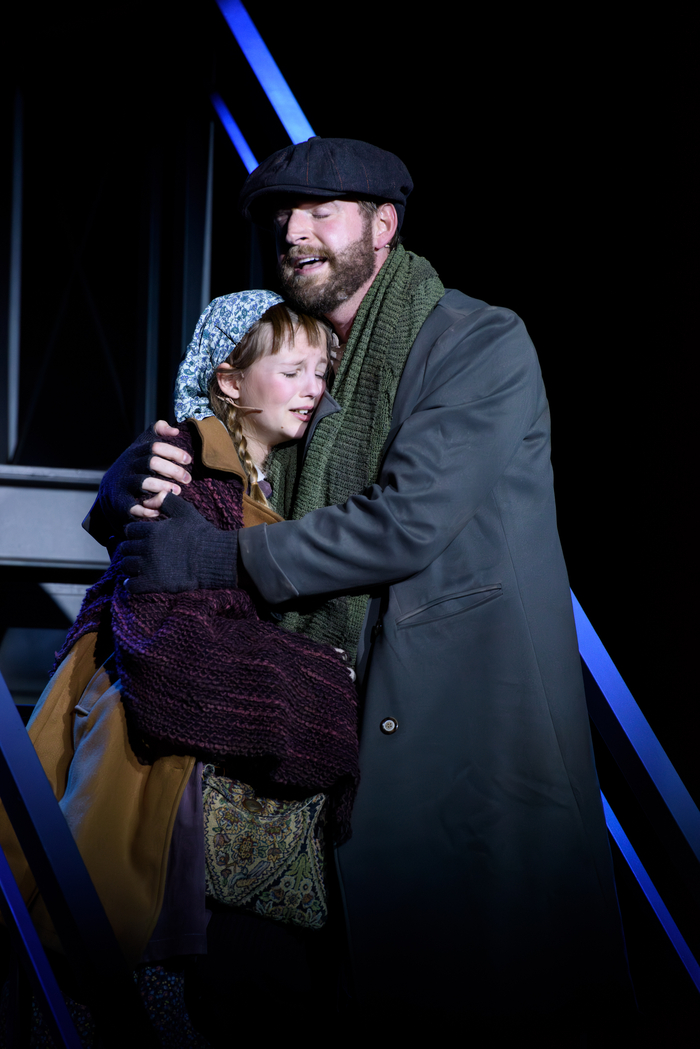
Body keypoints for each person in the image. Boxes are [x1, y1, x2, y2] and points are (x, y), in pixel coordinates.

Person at [93, 138, 633, 1033]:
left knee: (482, 994)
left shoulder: (477, 341)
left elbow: (407, 520)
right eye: (281, 216)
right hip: (329, 762)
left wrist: (228, 561)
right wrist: (133, 482)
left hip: (461, 754)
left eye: (322, 211)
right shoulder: (307, 364)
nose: (294, 233)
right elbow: (227, 449)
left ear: (384, 227)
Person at [0, 292, 360, 1045]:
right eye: (292, 369)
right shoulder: (190, 482)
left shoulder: (256, 491)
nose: (312, 387)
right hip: (159, 805)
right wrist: (335, 685)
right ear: (229, 381)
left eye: (320, 372)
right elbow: (178, 657)